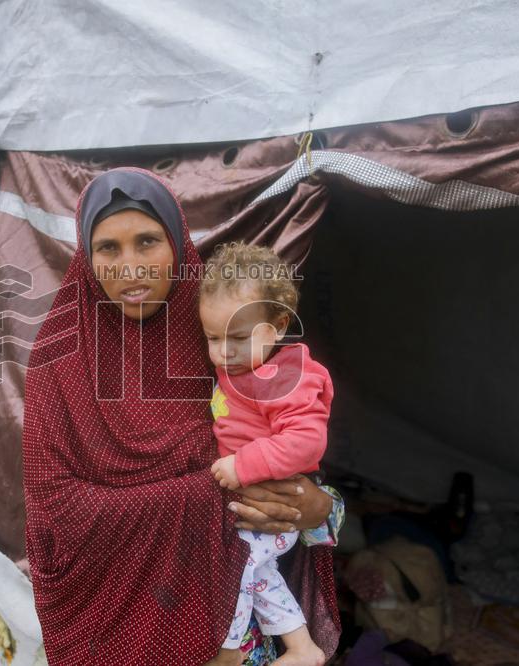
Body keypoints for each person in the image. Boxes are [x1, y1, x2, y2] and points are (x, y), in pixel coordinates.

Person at [22, 167, 341, 665]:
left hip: (244, 633)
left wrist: (320, 510)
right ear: (85, 257)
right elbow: (55, 514)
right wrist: (211, 494)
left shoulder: (221, 334)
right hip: (121, 633)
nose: (130, 267)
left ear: (176, 242)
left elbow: (293, 451)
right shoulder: (59, 363)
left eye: (147, 241)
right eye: (108, 248)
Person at [201, 242, 333, 666]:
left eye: (238, 338)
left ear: (277, 326)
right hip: (249, 508)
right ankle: (302, 647)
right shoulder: (239, 367)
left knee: (235, 567)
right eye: (212, 338)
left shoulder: (288, 377)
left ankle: (229, 651)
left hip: (272, 507)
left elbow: (306, 441)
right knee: (259, 576)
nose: (224, 352)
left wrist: (243, 465)